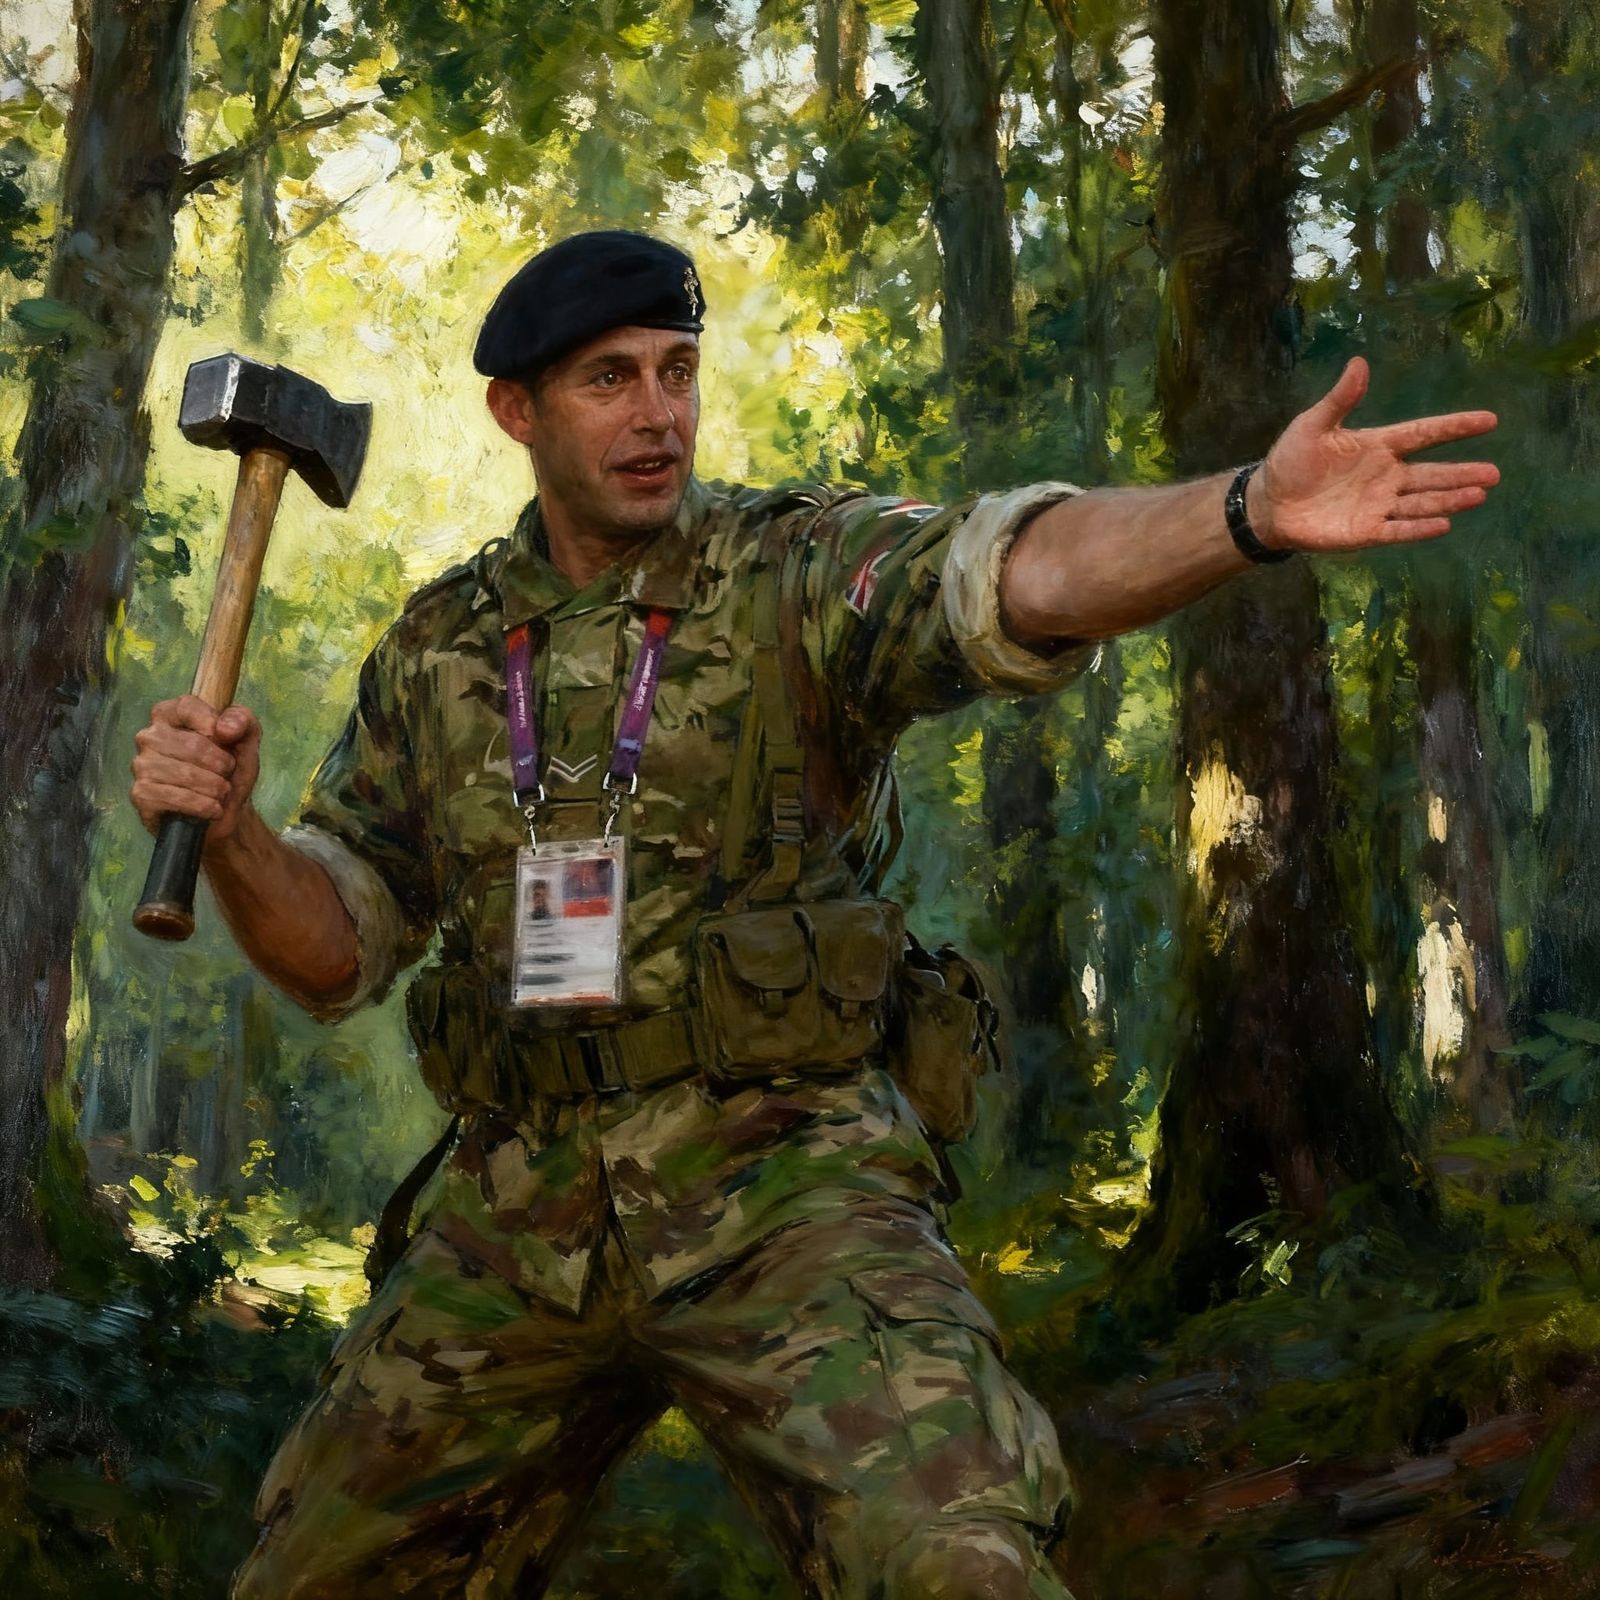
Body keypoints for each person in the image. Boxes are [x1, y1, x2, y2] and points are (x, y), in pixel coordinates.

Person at [129, 230, 1499, 1599]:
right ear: (515, 412)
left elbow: (1013, 572)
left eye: (677, 370)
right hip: (517, 1206)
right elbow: (337, 949)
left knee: (958, 1564)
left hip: (788, 1185)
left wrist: (1248, 508)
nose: (659, 412)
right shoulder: (439, 651)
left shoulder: (793, 569)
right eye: (609, 380)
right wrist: (236, 832)